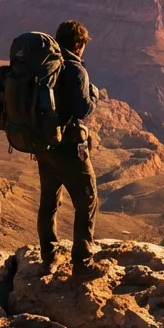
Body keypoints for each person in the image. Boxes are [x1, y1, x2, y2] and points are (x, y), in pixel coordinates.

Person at [37, 19, 102, 278]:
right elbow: (83, 109)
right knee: (87, 200)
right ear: (78, 44)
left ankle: (48, 257)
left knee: (49, 200)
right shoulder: (75, 69)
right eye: (83, 46)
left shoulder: (43, 65)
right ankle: (82, 262)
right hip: (67, 148)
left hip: (42, 144)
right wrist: (94, 93)